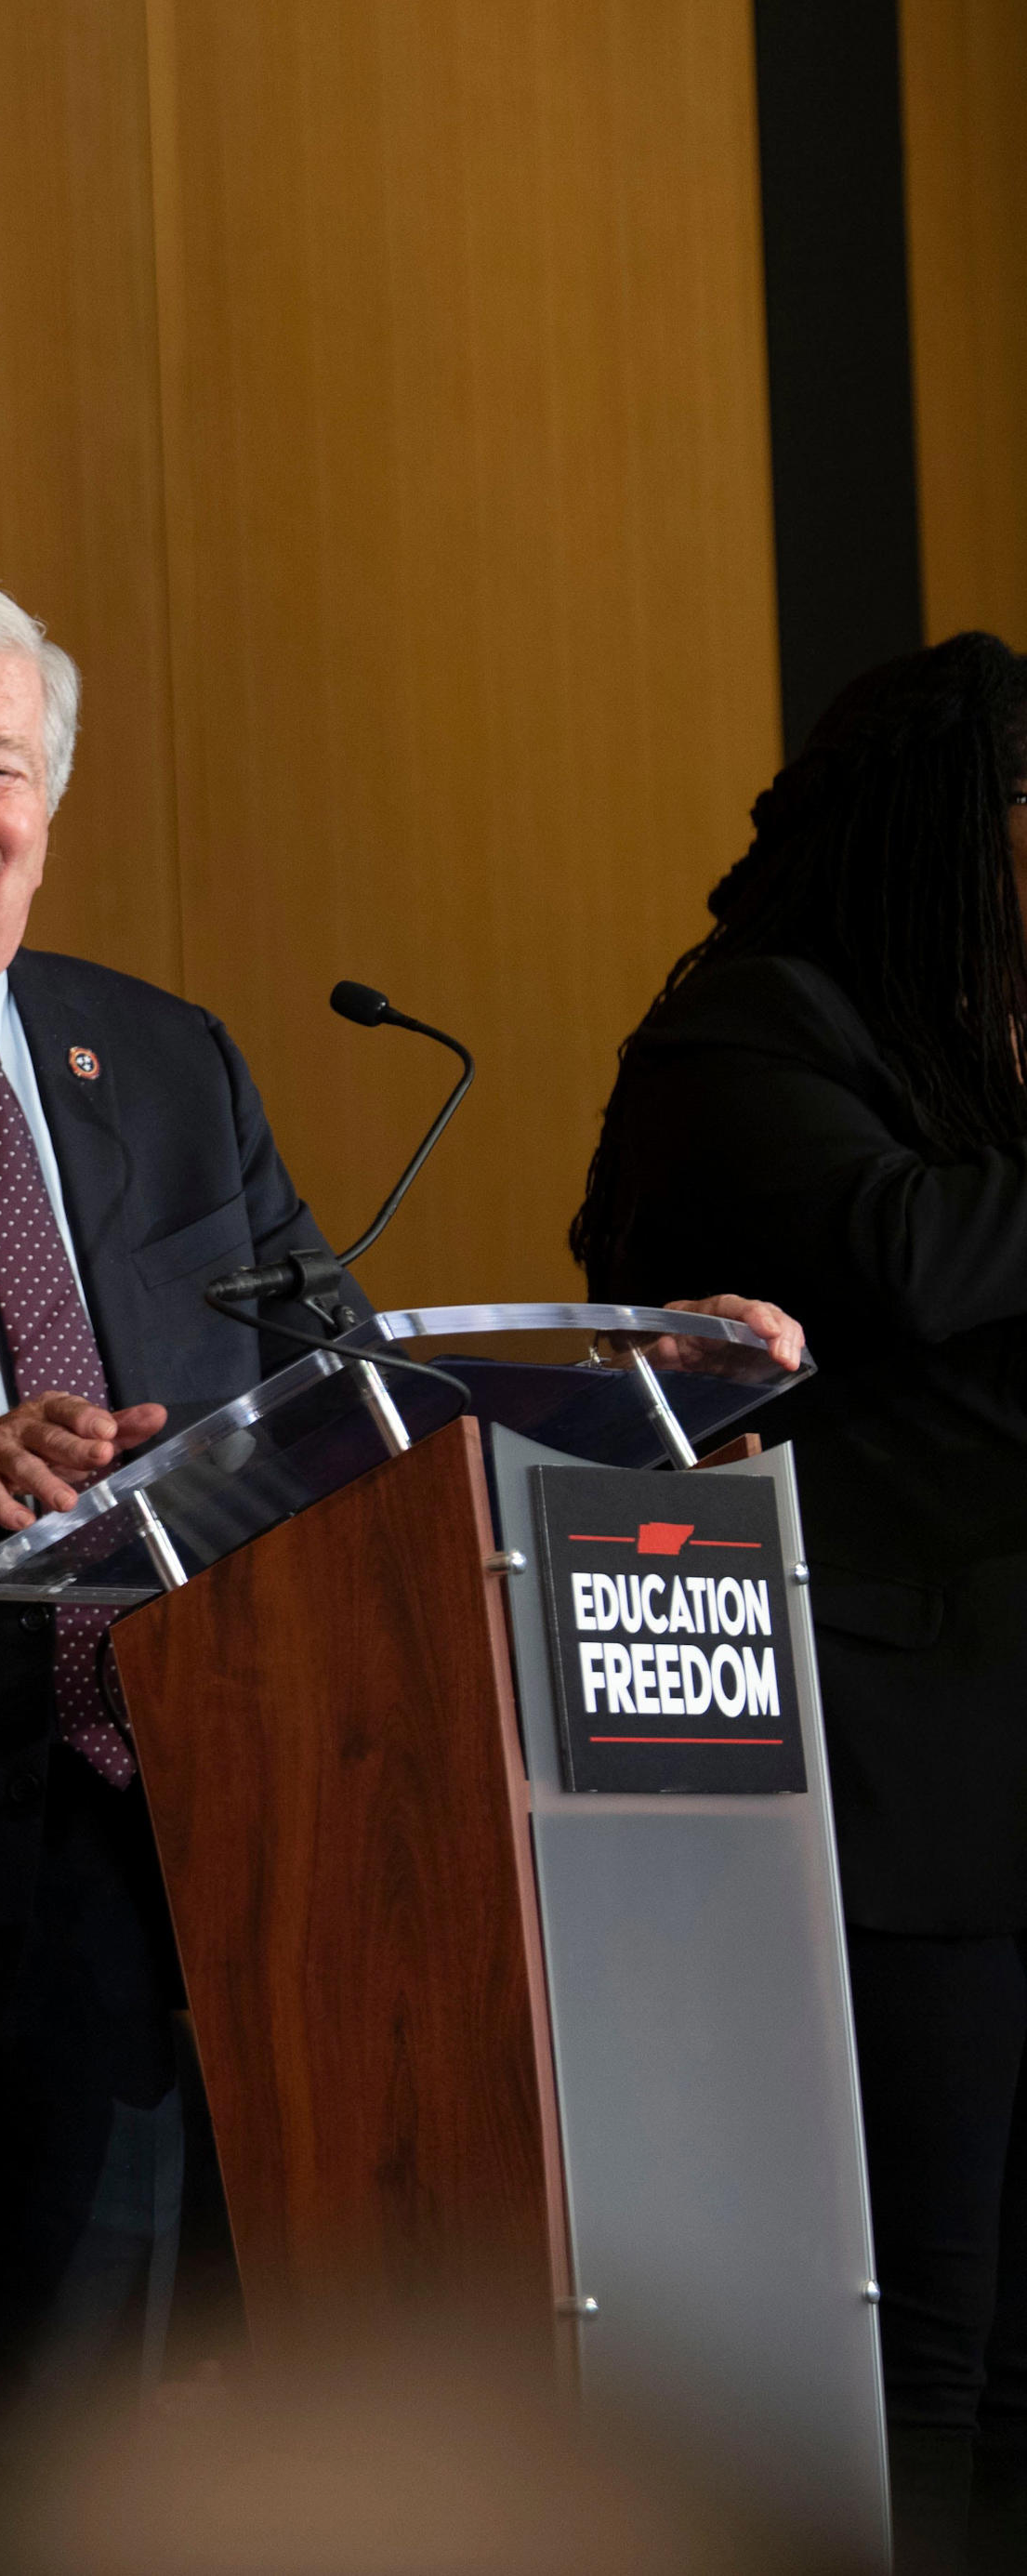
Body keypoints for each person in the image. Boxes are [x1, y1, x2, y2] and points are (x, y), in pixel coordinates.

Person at [0, 564, 797, 2574]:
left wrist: (627, 1380)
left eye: (2, 765)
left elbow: (335, 1386)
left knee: (74, 2518)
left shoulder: (168, 1065)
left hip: (139, 1898)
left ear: (48, 811)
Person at [572, 631, 1027, 2575]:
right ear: (943, 830)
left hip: (1002, 1764)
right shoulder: (746, 1040)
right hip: (885, 1801)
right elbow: (909, 1261)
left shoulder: (975, 1062)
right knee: (919, 2338)